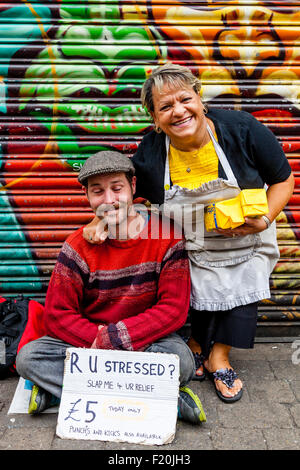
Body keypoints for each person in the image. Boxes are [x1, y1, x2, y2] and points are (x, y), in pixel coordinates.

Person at [83, 64, 294, 403]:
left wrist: (267, 217)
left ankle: (219, 357)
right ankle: (196, 344)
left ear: (199, 97)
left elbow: (283, 180)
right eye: (165, 107)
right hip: (193, 243)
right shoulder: (152, 152)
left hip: (249, 237)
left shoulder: (242, 130)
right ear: (154, 117)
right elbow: (128, 196)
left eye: (185, 99)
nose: (179, 111)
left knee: (241, 293)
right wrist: (100, 220)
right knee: (194, 296)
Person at [16, 150, 206, 425]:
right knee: (29, 358)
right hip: (89, 340)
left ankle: (62, 394)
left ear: (133, 187)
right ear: (87, 196)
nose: (109, 201)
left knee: (182, 361)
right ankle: (161, 399)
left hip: (144, 338)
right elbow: (57, 313)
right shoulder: (76, 246)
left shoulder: (167, 237)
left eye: (117, 188)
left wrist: (117, 338)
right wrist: (99, 339)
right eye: (98, 192)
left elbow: (174, 309)